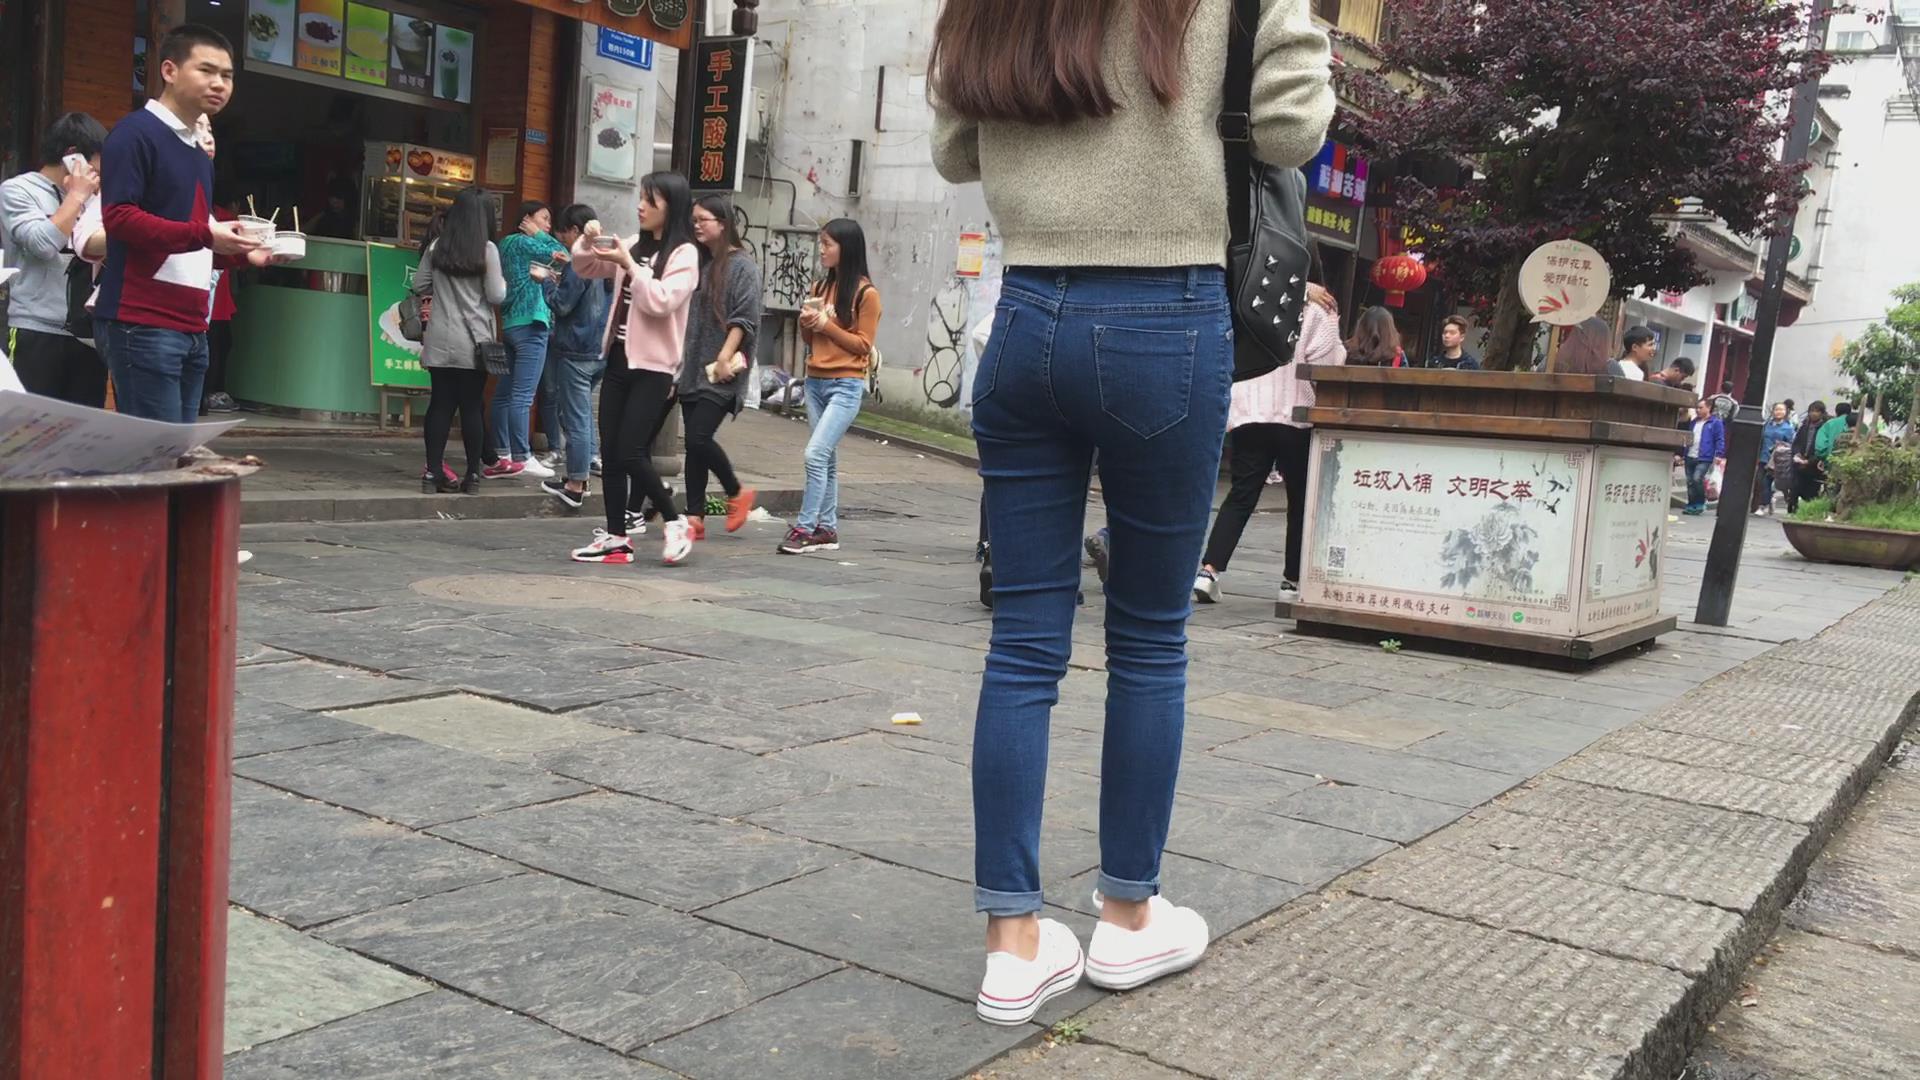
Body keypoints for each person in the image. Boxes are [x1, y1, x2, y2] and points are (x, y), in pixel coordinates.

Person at [932, 0, 1334, 1027]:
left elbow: (953, 149)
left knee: (1023, 644)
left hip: (1026, 314)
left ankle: (1012, 948)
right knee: (1150, 640)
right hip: (1168, 315)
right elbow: (1291, 131)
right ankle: (1126, 917)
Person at [94, 24, 275, 423]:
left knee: (177, 451)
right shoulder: (135, 133)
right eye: (206, 70)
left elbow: (190, 241)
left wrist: (245, 255)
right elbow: (119, 219)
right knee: (155, 452)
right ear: (169, 70)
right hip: (142, 322)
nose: (219, 84)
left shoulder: (197, 150)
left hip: (193, 326)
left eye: (227, 75)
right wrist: (206, 234)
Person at [1197, 245, 1344, 604]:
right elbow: (1326, 364)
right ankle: (1291, 581)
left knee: (1241, 494)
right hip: (1297, 415)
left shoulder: (1254, 299)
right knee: (1299, 499)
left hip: (1250, 409)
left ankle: (1209, 571)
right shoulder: (1320, 308)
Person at [568, 171, 700, 566]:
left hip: (654, 367)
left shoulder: (684, 255)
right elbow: (585, 266)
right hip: (618, 358)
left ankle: (674, 520)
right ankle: (616, 538)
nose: (640, 206)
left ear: (670, 207)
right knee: (611, 452)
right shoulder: (632, 244)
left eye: (650, 200)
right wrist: (588, 240)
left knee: (630, 450)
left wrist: (628, 263)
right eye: (641, 198)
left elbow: (661, 301)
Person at [779, 218, 880, 555]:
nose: (821, 250)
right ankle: (827, 528)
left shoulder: (867, 294)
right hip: (815, 382)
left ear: (845, 248)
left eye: (827, 244)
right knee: (827, 458)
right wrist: (808, 323)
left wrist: (827, 324)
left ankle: (805, 527)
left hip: (845, 385)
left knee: (815, 453)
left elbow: (863, 345)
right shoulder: (819, 288)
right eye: (821, 243)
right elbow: (811, 340)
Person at [2, 112, 107, 405]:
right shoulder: (18, 190)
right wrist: (76, 197)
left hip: (87, 337)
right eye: (98, 163)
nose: (102, 172)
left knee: (86, 428)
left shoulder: (95, 199)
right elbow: (43, 244)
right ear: (73, 156)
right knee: (28, 425)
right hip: (35, 330)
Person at [676, 194, 762, 537]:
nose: (696, 226)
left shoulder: (743, 266)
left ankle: (736, 492)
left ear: (723, 224)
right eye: (693, 220)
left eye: (703, 220)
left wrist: (725, 356)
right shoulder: (700, 263)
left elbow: (744, 318)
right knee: (693, 445)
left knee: (698, 437)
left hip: (722, 370)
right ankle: (694, 516)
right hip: (692, 368)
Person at [413, 188, 504, 494]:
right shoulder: (487, 250)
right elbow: (496, 295)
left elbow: (419, 284)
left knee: (439, 404)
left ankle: (432, 473)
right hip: (474, 341)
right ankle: (472, 476)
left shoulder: (438, 246)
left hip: (440, 336)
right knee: (471, 407)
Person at [486, 200, 568, 478]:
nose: (548, 225)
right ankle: (522, 456)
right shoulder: (528, 242)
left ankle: (503, 453)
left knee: (504, 394)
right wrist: (539, 235)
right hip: (532, 323)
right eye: (544, 218)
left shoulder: (506, 243)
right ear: (527, 219)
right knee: (523, 395)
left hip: (510, 323)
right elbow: (565, 254)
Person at [537, 203, 612, 509]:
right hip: (600, 350)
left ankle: (575, 484)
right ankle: (584, 469)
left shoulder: (580, 262)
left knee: (575, 417)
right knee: (581, 413)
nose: (562, 238)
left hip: (576, 349)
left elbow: (563, 305)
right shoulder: (607, 257)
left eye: (564, 233)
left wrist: (545, 281)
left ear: (576, 230)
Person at [1682, 397, 1725, 515]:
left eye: (1701, 408)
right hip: (1690, 454)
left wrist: (1719, 454)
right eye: (1697, 408)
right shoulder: (1693, 422)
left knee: (1697, 478)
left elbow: (1720, 439)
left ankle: (1700, 503)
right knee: (1690, 481)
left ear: (1709, 408)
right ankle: (1691, 504)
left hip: (1704, 457)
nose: (1698, 410)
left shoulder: (1715, 423)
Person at [1756, 402, 1796, 516]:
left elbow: (1791, 445)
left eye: (1782, 410)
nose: (1779, 412)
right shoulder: (1766, 425)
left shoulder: (1788, 428)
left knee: (1767, 482)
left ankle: (1762, 505)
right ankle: (1769, 499)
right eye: (1777, 409)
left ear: (1786, 412)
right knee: (1760, 481)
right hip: (1764, 457)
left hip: (1777, 460)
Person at [1789, 400, 1829, 510]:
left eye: (1817, 411)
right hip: (1799, 462)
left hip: (1814, 465)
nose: (1813, 414)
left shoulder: (1824, 428)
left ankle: (1807, 509)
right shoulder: (1804, 426)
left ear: (1822, 413)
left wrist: (1811, 461)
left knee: (1811, 491)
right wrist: (1797, 454)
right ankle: (1793, 507)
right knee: (1795, 487)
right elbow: (1796, 443)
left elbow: (1822, 447)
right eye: (1811, 411)